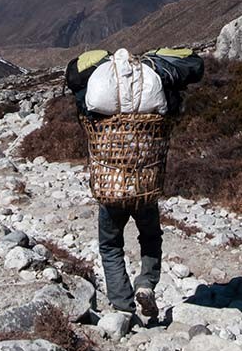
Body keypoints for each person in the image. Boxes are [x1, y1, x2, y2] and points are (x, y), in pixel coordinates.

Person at [65, 47, 204, 319]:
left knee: (110, 245)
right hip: (145, 183)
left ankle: (123, 307)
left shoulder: (98, 112)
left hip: (111, 185)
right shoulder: (153, 106)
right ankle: (146, 284)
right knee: (150, 237)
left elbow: (81, 100)